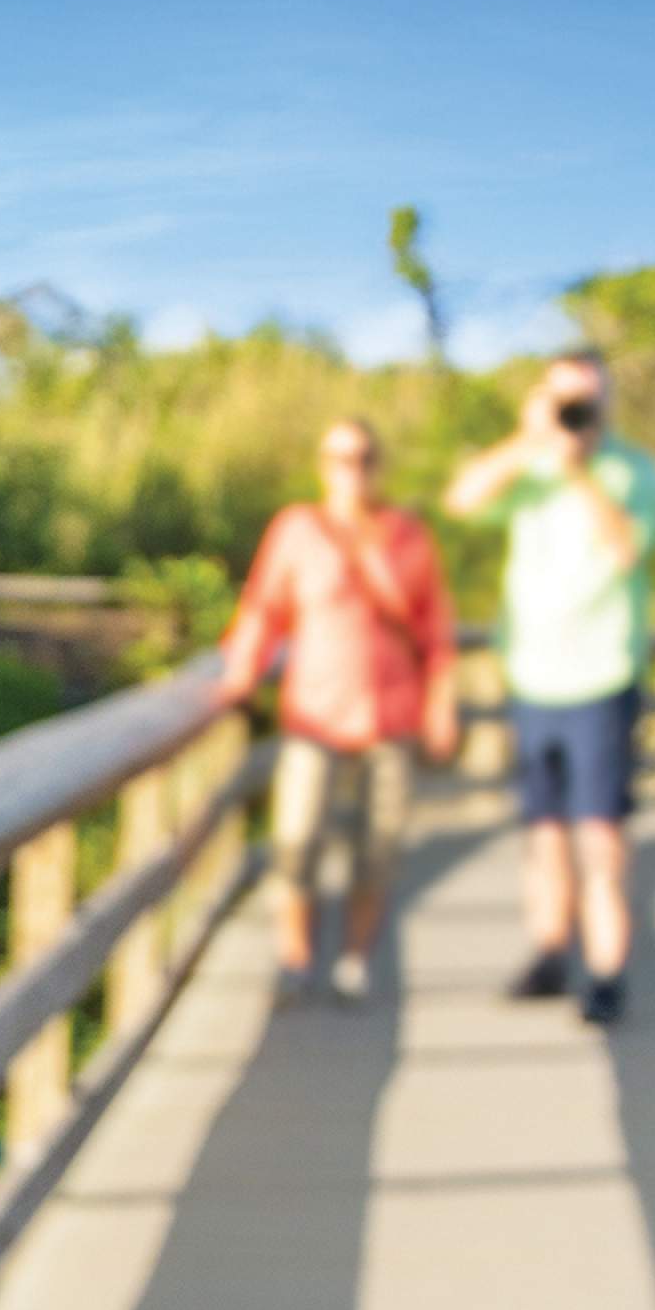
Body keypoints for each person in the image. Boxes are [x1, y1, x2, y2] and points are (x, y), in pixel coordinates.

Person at [445, 349, 655, 1025]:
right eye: (564, 398)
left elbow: (628, 549)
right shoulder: (529, 465)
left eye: (586, 401)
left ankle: (606, 973)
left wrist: (580, 475)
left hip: (601, 678)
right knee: (542, 832)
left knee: (598, 835)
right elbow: (462, 500)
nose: (576, 413)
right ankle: (549, 952)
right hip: (533, 678)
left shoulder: (635, 473)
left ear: (609, 402)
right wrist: (527, 440)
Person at [217, 416, 458, 1002]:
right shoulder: (298, 530)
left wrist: (442, 707)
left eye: (364, 458)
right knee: (296, 840)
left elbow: (436, 632)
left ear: (380, 464)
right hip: (315, 713)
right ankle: (295, 959)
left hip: (391, 714)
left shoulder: (407, 536)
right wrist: (239, 675)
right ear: (323, 466)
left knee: (380, 847)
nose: (352, 471)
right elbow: (263, 609)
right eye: (339, 459)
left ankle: (355, 959)